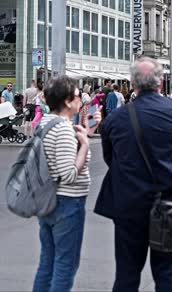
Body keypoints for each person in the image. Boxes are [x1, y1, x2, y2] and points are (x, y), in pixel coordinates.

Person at [94, 57, 172, 292]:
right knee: (168, 276)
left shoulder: (116, 119)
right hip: (171, 205)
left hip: (129, 206)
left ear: (132, 84)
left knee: (127, 275)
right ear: (160, 82)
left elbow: (111, 159)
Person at [32, 75, 101, 292]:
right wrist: (84, 145)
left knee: (48, 260)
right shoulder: (62, 128)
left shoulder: (45, 122)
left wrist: (86, 131)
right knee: (65, 264)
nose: (83, 101)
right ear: (68, 101)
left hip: (48, 200)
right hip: (67, 202)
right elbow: (69, 174)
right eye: (79, 96)